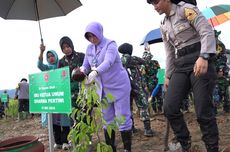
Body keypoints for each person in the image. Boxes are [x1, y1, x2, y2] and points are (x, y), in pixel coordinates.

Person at [147, 0, 219, 151]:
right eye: (152, 4)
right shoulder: (163, 24)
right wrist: (168, 75)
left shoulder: (186, 10)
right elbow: (169, 52)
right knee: (169, 107)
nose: (155, 7)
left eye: (156, 2)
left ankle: (212, 148)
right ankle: (185, 143)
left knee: (202, 111)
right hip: (181, 64)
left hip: (199, 58)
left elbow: (206, 31)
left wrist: (204, 56)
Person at [81, 22, 132, 152]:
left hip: (119, 87)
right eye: (89, 37)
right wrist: (81, 70)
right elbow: (86, 65)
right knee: (107, 120)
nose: (92, 39)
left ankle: (127, 149)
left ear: (99, 33)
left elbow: (108, 62)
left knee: (122, 117)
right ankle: (111, 148)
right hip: (103, 90)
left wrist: (95, 72)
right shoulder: (89, 48)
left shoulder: (110, 44)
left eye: (94, 36)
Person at [37, 43, 71, 150]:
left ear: (56, 56)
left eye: (52, 56)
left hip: (62, 97)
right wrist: (42, 51)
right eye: (48, 57)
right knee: (54, 122)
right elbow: (39, 65)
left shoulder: (61, 65)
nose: (50, 58)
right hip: (52, 99)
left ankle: (65, 141)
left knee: (65, 121)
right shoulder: (47, 68)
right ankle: (58, 142)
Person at [118, 42, 155, 137]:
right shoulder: (132, 58)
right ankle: (147, 130)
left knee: (128, 108)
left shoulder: (119, 61)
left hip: (125, 89)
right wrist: (147, 51)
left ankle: (131, 129)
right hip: (136, 87)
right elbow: (145, 60)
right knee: (143, 106)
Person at [58, 36, 85, 149]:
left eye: (68, 46)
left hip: (82, 91)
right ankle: (76, 142)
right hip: (69, 94)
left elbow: (86, 69)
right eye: (64, 48)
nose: (66, 49)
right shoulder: (61, 62)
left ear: (71, 45)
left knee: (84, 116)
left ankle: (87, 140)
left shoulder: (81, 56)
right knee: (73, 118)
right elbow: (60, 78)